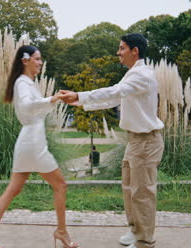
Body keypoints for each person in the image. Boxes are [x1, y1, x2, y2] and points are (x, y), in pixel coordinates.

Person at [60, 33, 164, 248]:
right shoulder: (132, 74)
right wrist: (80, 103)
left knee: (142, 193)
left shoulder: (142, 75)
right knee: (129, 188)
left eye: (122, 48)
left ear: (135, 51)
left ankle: (145, 240)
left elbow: (114, 91)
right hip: (135, 141)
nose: (118, 53)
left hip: (146, 141)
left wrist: (79, 95)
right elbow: (116, 98)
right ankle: (136, 231)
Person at [0, 45, 78, 248]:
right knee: (60, 185)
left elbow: (35, 109)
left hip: (26, 140)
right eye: (37, 59)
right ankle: (61, 232)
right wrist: (51, 99)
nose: (40, 62)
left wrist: (52, 100)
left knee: (12, 189)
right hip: (34, 141)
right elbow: (26, 107)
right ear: (25, 61)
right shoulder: (23, 83)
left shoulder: (26, 83)